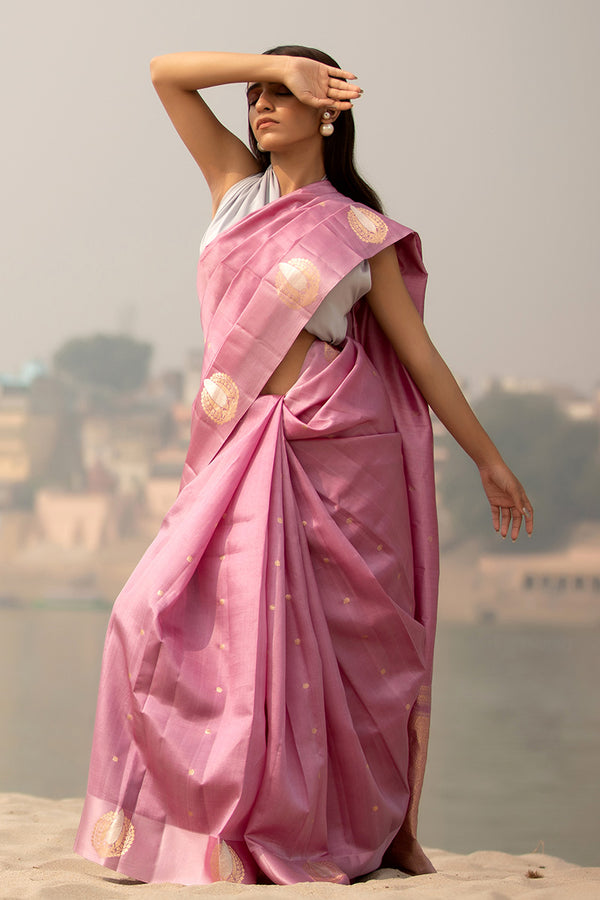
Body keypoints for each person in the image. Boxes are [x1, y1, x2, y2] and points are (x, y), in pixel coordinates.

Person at [74, 46, 533, 886]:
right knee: (144, 617)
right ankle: (197, 822)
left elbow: (419, 356)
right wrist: (268, 62)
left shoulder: (359, 233)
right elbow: (163, 72)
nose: (260, 105)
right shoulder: (231, 190)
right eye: (255, 94)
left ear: (328, 111)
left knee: (328, 665)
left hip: (337, 453)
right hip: (238, 450)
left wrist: (488, 459)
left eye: (279, 94)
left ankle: (345, 829)